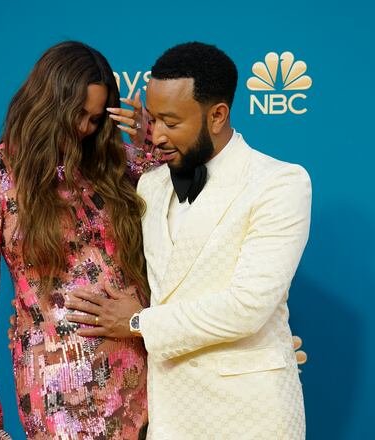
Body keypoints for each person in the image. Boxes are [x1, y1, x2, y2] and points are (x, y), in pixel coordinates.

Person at [65, 42, 311, 439]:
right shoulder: (151, 184)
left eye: (171, 122)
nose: (156, 135)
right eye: (153, 119)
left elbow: (247, 306)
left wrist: (136, 322)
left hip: (252, 415)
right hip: (173, 415)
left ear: (217, 116)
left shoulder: (278, 182)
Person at [0, 40, 157, 440]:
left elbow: (180, 208)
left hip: (138, 369)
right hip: (54, 380)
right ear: (48, 103)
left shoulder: (114, 165)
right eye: (78, 115)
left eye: (96, 118)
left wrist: (148, 140)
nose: (86, 128)